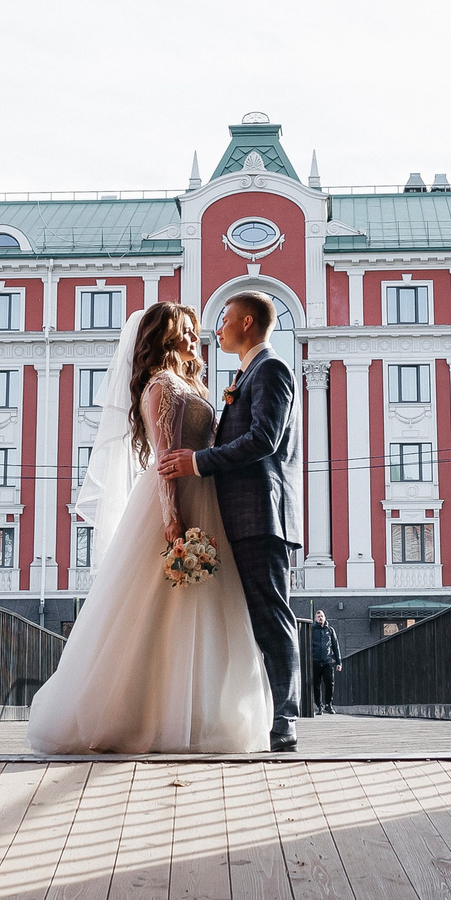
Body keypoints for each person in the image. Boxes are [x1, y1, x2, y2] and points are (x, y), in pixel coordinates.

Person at [23, 304, 272, 754]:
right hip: (178, 500)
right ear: (166, 336)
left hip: (206, 495)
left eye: (196, 331)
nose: (196, 338)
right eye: (187, 332)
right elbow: (162, 459)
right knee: (156, 613)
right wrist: (172, 518)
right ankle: (141, 714)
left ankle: (193, 715)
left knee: (200, 612)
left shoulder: (190, 383)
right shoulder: (161, 385)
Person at [159, 291, 303, 752]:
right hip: (241, 515)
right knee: (252, 619)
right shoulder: (248, 372)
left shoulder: (272, 369)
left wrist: (198, 462)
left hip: (262, 514)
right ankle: (260, 714)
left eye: (222, 319)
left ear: (244, 322)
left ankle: (286, 719)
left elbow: (264, 438)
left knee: (272, 617)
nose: (215, 329)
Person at [304, 609, 339, 715]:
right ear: (315, 618)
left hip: (327, 660)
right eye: (318, 616)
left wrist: (339, 662)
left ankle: (329, 704)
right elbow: (307, 645)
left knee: (329, 682)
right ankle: (319, 706)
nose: (320, 618)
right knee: (316, 684)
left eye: (322, 616)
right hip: (315, 660)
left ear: (325, 618)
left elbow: (335, 646)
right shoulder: (312, 629)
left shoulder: (330, 630)